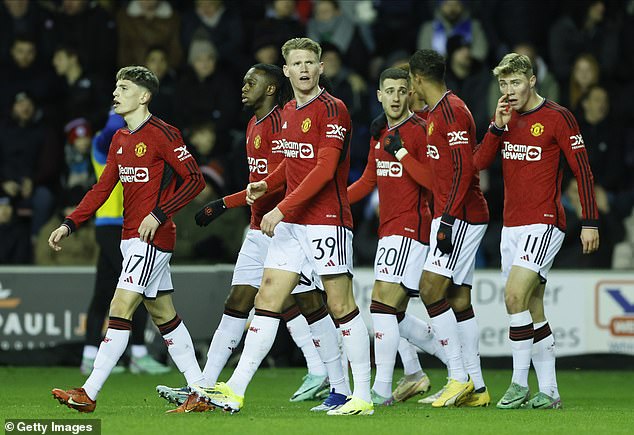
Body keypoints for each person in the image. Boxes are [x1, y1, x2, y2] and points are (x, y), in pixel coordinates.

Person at [193, 37, 373, 416]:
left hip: (327, 222)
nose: (305, 69)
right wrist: (265, 186)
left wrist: (282, 207)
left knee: (340, 305)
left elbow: (324, 170)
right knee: (267, 300)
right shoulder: (288, 111)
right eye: (298, 63)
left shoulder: (333, 109)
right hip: (293, 225)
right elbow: (291, 168)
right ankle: (236, 389)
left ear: (320, 68)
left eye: (311, 62)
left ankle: (362, 396)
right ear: (287, 70)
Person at [157, 63, 332, 412]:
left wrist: (224, 202)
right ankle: (203, 385)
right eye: (243, 80)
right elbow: (262, 182)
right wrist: (232, 204)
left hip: (287, 226)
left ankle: (332, 375)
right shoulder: (253, 125)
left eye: (251, 82)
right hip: (257, 228)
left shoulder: (286, 121)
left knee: (311, 303)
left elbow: (287, 178)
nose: (244, 87)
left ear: (270, 89)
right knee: (237, 302)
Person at [49, 65, 205, 413]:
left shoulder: (164, 133)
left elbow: (195, 180)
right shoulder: (120, 139)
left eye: (123, 88)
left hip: (152, 237)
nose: (115, 94)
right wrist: (70, 223)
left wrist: (159, 214)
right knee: (163, 314)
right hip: (129, 237)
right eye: (116, 87)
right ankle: (200, 390)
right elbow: (101, 189)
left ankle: (88, 392)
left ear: (144, 96)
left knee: (119, 308)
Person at [474, 53, 600, 409]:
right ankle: (550, 392)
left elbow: (583, 172)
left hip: (544, 222)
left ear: (532, 80)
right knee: (532, 306)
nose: (509, 90)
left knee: (513, 296)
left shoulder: (558, 118)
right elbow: (477, 164)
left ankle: (517, 383)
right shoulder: (505, 118)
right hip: (511, 227)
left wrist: (589, 221)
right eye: (503, 84)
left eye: (515, 82)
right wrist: (496, 127)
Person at [347, 67, 448, 406]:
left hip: (411, 229)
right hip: (389, 231)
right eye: (388, 90)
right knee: (395, 315)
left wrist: (402, 152)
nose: (394, 96)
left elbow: (433, 183)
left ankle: (379, 390)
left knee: (381, 308)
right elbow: (367, 182)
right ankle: (457, 369)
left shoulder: (418, 132)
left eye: (400, 90)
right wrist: (330, 201)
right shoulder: (381, 134)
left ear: (409, 94)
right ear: (379, 94)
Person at [408, 49, 490, 408]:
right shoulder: (438, 112)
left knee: (430, 290)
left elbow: (463, 170)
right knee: (457, 298)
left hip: (460, 215)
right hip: (459, 213)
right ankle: (479, 388)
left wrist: (448, 221)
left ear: (418, 78)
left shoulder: (453, 112)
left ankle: (458, 377)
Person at [80, 109, 170, 377]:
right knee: (136, 288)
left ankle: (88, 355)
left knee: (104, 289)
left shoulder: (133, 143)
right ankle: (138, 354)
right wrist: (119, 111)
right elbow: (110, 130)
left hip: (124, 225)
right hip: (112, 225)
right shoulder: (104, 140)